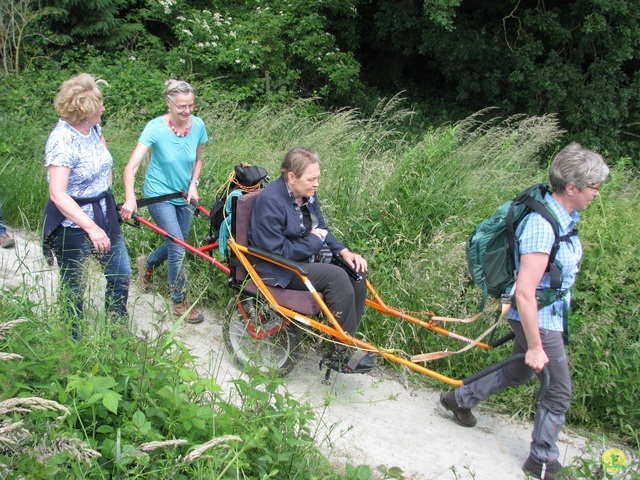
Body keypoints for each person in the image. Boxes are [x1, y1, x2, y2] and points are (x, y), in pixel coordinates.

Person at [440, 143, 610, 480]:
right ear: (572, 188)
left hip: (545, 316)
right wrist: (535, 345)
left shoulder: (562, 216)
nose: (597, 193)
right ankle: (542, 460)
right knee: (558, 390)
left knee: (519, 372)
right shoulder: (542, 226)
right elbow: (526, 292)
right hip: (539, 320)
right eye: (594, 187)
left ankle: (461, 398)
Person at [248, 147, 375, 372]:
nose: (316, 184)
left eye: (318, 178)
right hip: (277, 268)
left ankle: (344, 342)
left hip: (301, 258)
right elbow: (278, 250)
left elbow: (321, 228)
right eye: (311, 179)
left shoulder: (306, 194)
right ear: (291, 177)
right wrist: (314, 243)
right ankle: (341, 350)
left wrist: (344, 252)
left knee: (356, 271)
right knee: (336, 277)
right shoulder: (271, 202)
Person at [42, 73, 131, 339]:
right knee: (74, 285)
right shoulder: (61, 141)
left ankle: (116, 332)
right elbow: (58, 194)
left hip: (103, 213)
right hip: (74, 223)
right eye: (99, 105)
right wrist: (91, 228)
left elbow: (105, 164)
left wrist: (110, 198)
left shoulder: (94, 129)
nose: (104, 108)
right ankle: (74, 341)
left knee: (121, 274)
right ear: (84, 110)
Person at [121, 79, 207, 324]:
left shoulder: (198, 125)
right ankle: (180, 301)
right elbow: (131, 167)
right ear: (169, 103)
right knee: (178, 246)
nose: (187, 110)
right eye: (181, 106)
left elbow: (198, 159)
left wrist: (193, 184)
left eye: (191, 105)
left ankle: (147, 264)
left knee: (179, 242)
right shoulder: (155, 128)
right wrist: (130, 198)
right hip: (159, 196)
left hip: (184, 196)